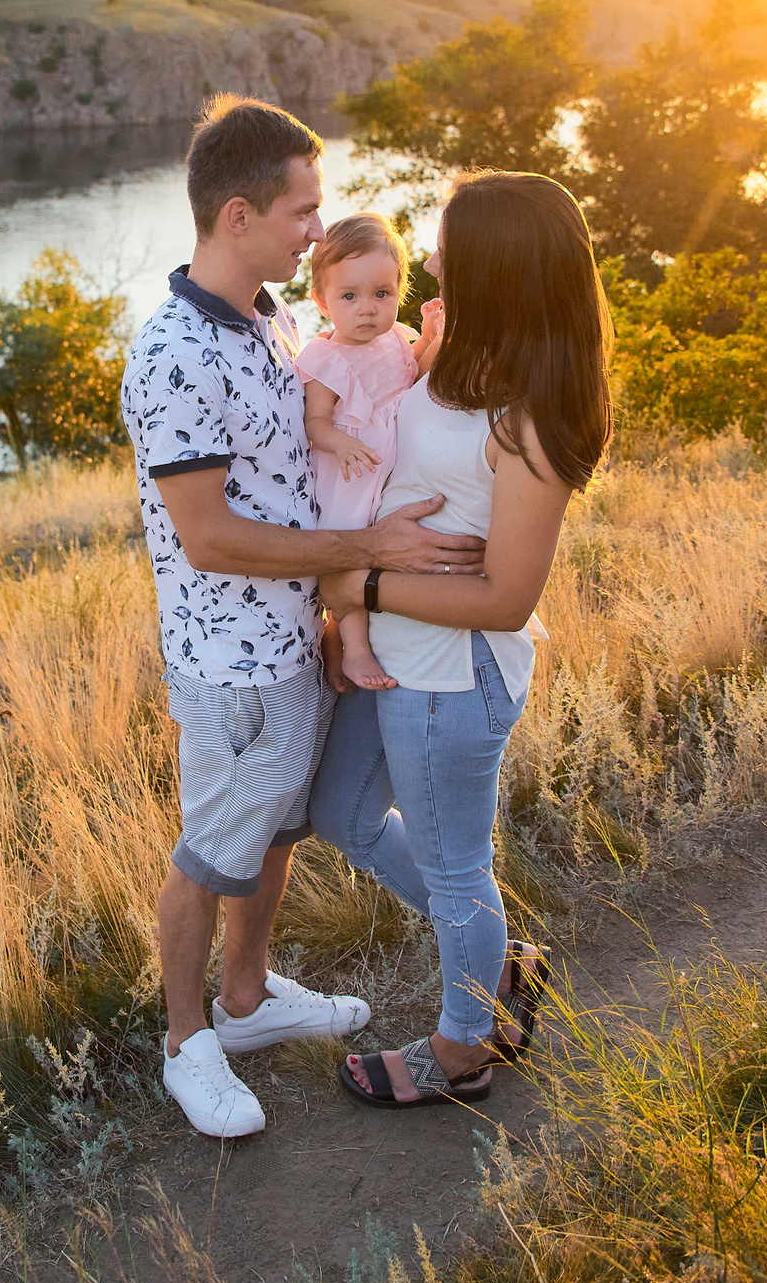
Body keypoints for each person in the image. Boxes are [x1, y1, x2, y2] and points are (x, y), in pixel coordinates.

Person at [121, 95, 488, 1139]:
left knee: (278, 827)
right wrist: (366, 554)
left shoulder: (273, 318)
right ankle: (185, 1042)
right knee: (211, 847)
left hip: (295, 636)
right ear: (238, 215)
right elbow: (208, 536)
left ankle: (245, 998)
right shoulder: (174, 353)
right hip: (230, 657)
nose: (318, 231)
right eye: (302, 212)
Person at [308, 171, 616, 1110]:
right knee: (343, 815)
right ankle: (496, 954)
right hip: (394, 653)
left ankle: (462, 1048)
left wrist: (358, 582)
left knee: (455, 871)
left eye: (446, 246)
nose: (431, 260)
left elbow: (506, 595)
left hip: (454, 676)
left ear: (495, 266)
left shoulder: (532, 415)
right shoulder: (447, 357)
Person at [295, 214, 443, 691]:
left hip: (391, 464)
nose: (367, 309)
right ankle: (354, 647)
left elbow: (413, 373)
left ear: (399, 291)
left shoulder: (395, 337)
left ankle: (386, 631)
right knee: (351, 554)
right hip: (352, 471)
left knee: (393, 546)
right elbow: (315, 423)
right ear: (322, 301)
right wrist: (343, 444)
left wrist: (431, 339)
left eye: (381, 294)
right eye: (349, 297)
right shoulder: (328, 359)